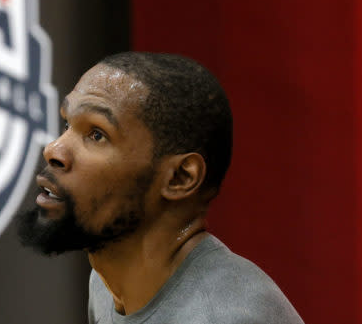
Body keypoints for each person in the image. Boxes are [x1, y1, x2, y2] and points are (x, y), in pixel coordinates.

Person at [17, 52, 303, 324]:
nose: (53, 149)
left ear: (179, 177)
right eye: (67, 123)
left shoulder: (224, 316)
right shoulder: (109, 283)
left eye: (96, 134)